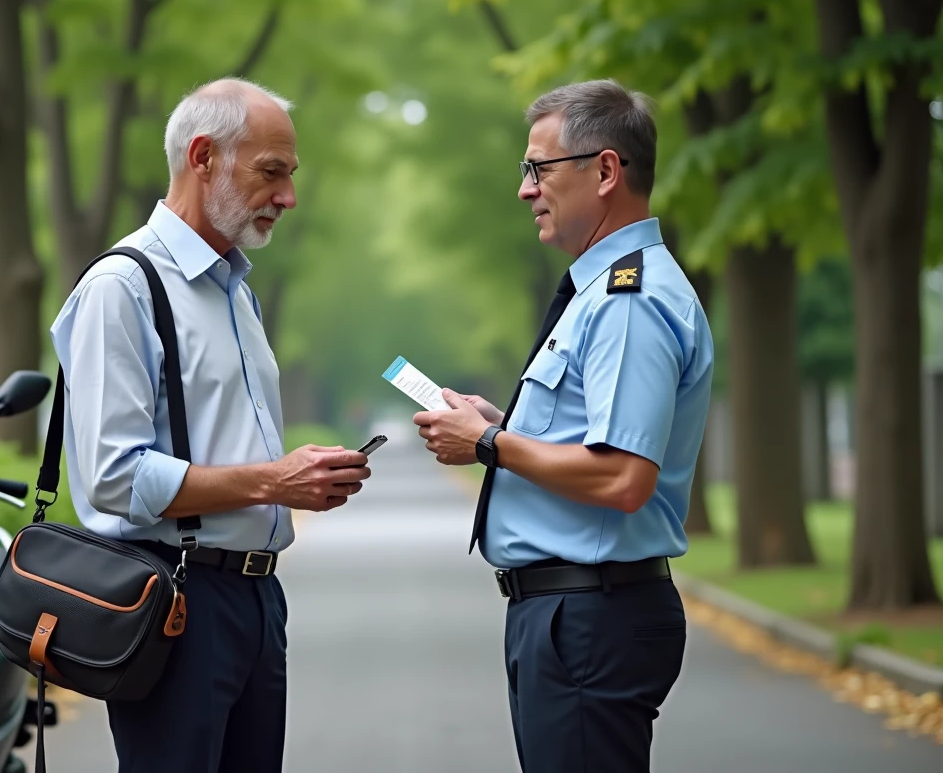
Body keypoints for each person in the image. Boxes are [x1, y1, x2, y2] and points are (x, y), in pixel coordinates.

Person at [49, 77, 372, 773]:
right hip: (175, 603)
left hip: (257, 601)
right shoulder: (122, 288)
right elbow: (113, 479)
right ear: (203, 157)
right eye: (271, 172)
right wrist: (274, 481)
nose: (288, 196)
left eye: (290, 174)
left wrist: (297, 479)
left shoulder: (236, 292)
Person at [412, 79, 714, 772]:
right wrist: (503, 426)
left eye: (539, 169)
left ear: (605, 171)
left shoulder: (626, 301)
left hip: (590, 614)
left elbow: (623, 477)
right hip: (574, 612)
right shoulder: (602, 291)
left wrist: (488, 442)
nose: (525, 190)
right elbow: (592, 440)